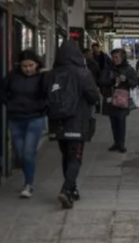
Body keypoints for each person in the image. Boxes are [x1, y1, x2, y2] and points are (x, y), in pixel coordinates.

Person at [43, 41, 100, 209]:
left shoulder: (50, 75)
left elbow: (43, 95)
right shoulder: (83, 73)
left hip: (57, 122)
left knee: (66, 155)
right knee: (75, 156)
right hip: (77, 121)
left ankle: (72, 189)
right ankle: (66, 189)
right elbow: (93, 96)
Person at [0, 49, 47, 199]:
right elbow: (1, 91)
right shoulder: (12, 76)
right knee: (20, 154)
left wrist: (42, 106)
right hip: (16, 119)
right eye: (24, 66)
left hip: (35, 118)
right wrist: (9, 104)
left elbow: (50, 94)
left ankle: (28, 184)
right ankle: (28, 177)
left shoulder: (42, 77)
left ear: (36, 64)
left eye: (31, 65)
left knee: (28, 152)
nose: (28, 69)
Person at [103, 48, 139, 153]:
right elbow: (101, 80)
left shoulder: (128, 69)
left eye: (117, 57)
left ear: (122, 57)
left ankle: (121, 143)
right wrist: (112, 80)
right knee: (113, 121)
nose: (114, 59)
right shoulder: (109, 68)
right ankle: (116, 142)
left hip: (122, 99)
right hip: (110, 98)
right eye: (113, 57)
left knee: (121, 120)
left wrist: (126, 80)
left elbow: (135, 83)